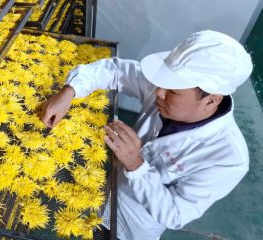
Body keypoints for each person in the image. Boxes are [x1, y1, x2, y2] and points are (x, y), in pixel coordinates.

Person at [41, 30, 253, 240]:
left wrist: (136, 164)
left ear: (211, 100)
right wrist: (69, 91)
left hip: (130, 227)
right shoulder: (164, 89)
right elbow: (115, 70)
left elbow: (175, 214)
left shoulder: (228, 158)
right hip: (97, 189)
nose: (159, 92)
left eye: (173, 91)